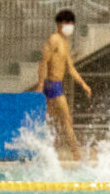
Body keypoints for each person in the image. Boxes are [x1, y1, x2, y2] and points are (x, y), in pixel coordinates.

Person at [37, 9, 91, 163]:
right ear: (60, 24)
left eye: (72, 23)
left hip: (57, 85)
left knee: (50, 120)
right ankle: (76, 153)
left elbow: (70, 68)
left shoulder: (65, 44)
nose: (70, 26)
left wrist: (83, 84)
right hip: (51, 85)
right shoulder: (54, 39)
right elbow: (44, 61)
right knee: (66, 119)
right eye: (68, 23)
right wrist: (41, 84)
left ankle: (43, 150)